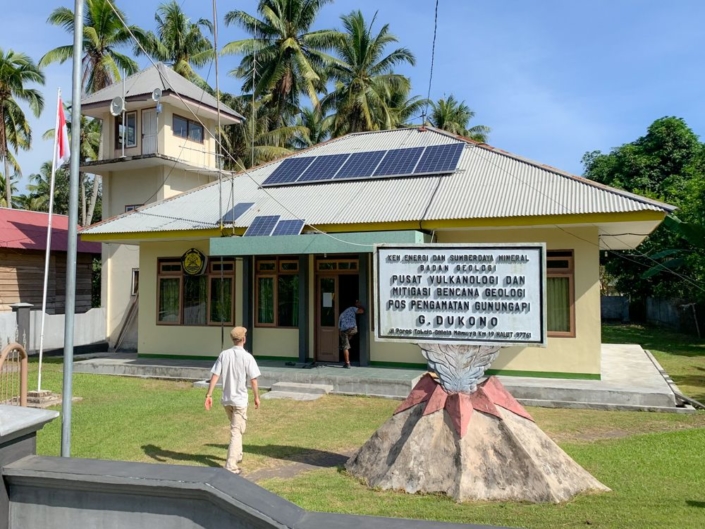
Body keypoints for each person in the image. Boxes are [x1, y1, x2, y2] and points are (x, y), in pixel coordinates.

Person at [204, 326, 261, 475]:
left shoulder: (224, 354)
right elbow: (253, 380)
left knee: (238, 428)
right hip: (240, 401)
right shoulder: (247, 357)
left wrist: (209, 394)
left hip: (227, 400)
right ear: (244, 339)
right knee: (236, 431)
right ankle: (231, 465)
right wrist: (256, 397)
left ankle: (238, 454)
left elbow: (215, 375)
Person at [338, 301, 364, 368]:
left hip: (344, 330)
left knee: (345, 346)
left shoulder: (341, 315)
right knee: (351, 334)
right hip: (353, 329)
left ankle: (347, 363)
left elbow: (339, 328)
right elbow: (361, 311)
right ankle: (349, 340)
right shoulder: (352, 308)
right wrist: (359, 306)